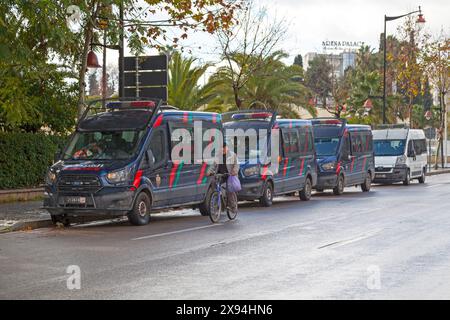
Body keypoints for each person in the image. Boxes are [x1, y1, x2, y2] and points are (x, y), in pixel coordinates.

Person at [217, 143, 240, 215]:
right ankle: (219, 203)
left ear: (227, 148)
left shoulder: (232, 155)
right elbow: (213, 165)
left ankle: (233, 206)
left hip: (230, 175)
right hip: (221, 175)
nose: (222, 150)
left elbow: (237, 165)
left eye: (224, 148)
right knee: (216, 188)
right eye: (221, 148)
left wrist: (234, 171)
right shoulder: (218, 156)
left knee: (229, 191)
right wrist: (209, 172)